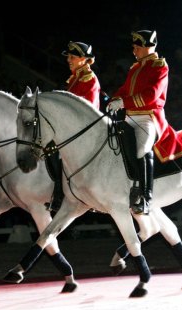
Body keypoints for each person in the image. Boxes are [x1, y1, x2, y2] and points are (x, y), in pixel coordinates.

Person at [107, 30, 182, 215]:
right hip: (129, 116)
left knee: (142, 149)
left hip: (148, 117)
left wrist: (124, 102)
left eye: (137, 47)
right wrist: (115, 99)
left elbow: (152, 95)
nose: (134, 50)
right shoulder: (135, 67)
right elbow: (125, 89)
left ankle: (146, 197)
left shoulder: (159, 66)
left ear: (147, 47)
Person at [45, 41, 101, 212]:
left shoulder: (88, 79)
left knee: (55, 150)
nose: (68, 60)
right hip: (71, 128)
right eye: (68, 57)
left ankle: (61, 193)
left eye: (72, 57)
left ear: (84, 59)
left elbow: (86, 109)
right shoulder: (74, 79)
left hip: (85, 129)